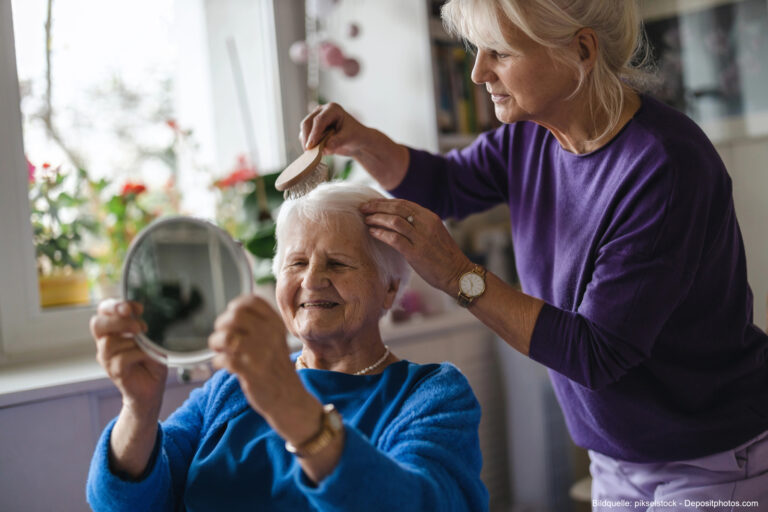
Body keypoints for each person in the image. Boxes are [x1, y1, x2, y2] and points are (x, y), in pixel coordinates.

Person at [300, 0, 768, 508]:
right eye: (478, 51)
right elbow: (448, 184)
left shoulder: (665, 167)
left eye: (498, 52)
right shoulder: (529, 135)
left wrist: (458, 274)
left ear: (581, 50)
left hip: (713, 457)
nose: (479, 72)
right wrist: (363, 141)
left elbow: (596, 353)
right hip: (616, 459)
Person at [86, 182, 489, 511]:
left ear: (388, 288)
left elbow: (421, 504)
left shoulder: (431, 395)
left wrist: (287, 403)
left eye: (338, 263)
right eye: (296, 264)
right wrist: (138, 409)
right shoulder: (229, 388)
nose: (312, 281)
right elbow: (123, 502)